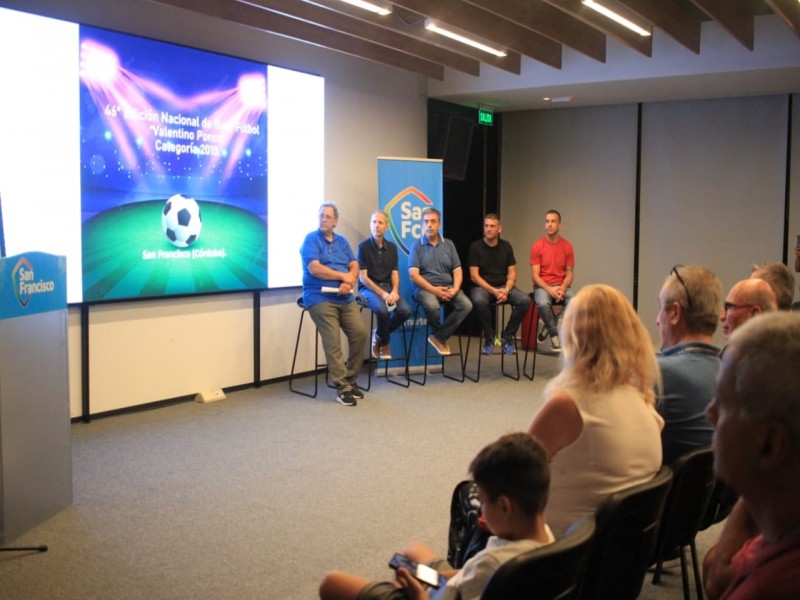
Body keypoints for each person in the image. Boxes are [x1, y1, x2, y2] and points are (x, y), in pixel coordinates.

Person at [318, 432, 554, 600]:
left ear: (504, 506)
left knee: (332, 582)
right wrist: (440, 576)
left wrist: (419, 594)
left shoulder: (492, 564)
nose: (480, 509)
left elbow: (478, 572)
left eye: (482, 501)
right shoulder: (545, 535)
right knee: (413, 551)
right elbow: (470, 574)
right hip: (459, 586)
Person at [527, 284, 663, 536]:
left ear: (573, 335)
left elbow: (514, 479)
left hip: (555, 555)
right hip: (618, 554)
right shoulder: (645, 403)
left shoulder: (568, 404)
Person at [702, 312, 800, 600]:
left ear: (769, 444)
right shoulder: (779, 525)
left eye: (723, 402)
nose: (710, 413)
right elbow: (716, 580)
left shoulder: (772, 588)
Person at [300, 202, 369, 407]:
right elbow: (314, 268)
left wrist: (351, 280)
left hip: (344, 296)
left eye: (328, 216)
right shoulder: (311, 239)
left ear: (336, 221)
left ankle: (350, 379)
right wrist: (343, 277)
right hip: (319, 297)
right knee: (333, 339)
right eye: (321, 215)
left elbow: (354, 264)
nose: (324, 219)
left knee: (360, 333)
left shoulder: (342, 241)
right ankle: (342, 387)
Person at [655, 265, 723, 465]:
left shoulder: (657, 374)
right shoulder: (736, 375)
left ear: (675, 313)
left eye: (660, 308)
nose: (657, 320)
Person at [408, 207, 472, 356]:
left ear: (439, 225)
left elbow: (457, 270)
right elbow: (413, 275)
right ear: (422, 225)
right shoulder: (416, 246)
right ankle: (440, 336)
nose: (429, 225)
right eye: (426, 222)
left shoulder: (449, 244)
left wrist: (455, 289)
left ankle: (439, 337)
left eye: (433, 222)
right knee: (432, 305)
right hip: (424, 289)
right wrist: (434, 290)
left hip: (448, 286)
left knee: (466, 305)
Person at [467, 214, 531, 356]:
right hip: (482, 287)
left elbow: (512, 274)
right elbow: (474, 276)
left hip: (503, 286)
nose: (489, 229)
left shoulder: (506, 246)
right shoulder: (476, 247)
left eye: (492, 226)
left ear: (499, 229)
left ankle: (507, 338)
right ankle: (489, 338)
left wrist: (506, 290)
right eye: (486, 226)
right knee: (478, 300)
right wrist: (494, 291)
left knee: (525, 300)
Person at [358, 210, 411, 360]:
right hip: (368, 289)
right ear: (370, 224)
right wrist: (383, 294)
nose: (376, 225)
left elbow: (394, 273)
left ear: (386, 227)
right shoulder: (363, 247)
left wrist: (394, 291)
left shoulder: (392, 248)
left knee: (405, 311)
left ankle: (380, 334)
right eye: (374, 222)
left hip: (388, 287)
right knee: (383, 311)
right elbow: (363, 278)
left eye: (380, 222)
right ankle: (385, 343)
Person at [530, 209, 575, 351]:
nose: (549, 224)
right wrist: (550, 289)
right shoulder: (537, 246)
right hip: (543, 287)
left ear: (559, 226)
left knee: (574, 302)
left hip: (562, 286)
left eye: (553, 221)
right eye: (547, 221)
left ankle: (548, 328)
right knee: (543, 304)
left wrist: (562, 287)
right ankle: (554, 337)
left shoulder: (567, 246)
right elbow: (535, 276)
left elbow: (569, 273)